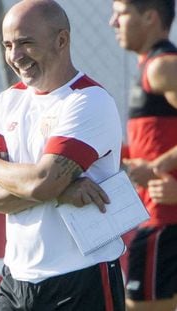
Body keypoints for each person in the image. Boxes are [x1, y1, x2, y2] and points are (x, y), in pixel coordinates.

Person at [0, 0, 126, 310]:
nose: (15, 56)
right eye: (8, 45)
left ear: (61, 40)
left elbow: (42, 181)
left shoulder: (89, 100)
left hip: (82, 278)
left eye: (26, 43)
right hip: (15, 279)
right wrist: (60, 191)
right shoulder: (6, 102)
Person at [110, 0, 177, 310]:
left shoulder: (162, 67)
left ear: (149, 17)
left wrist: (157, 166)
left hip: (166, 223)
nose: (113, 22)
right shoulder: (151, 67)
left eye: (121, 13)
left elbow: (156, 160)